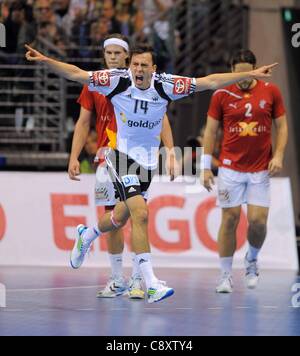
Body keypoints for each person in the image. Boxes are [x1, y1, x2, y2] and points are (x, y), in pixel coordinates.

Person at [25, 42, 277, 303]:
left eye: (144, 65)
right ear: (129, 66)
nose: (139, 69)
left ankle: (87, 234)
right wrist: (45, 59)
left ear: (153, 69)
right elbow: (76, 73)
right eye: (135, 64)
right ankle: (151, 282)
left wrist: (251, 74)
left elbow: (211, 81)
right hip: (121, 157)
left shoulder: (166, 85)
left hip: (147, 164)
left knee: (119, 216)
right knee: (141, 215)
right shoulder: (116, 81)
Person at [69, 34, 178, 300]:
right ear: (104, 56)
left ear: (128, 58)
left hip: (141, 156)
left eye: (119, 53)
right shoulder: (95, 83)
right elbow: (83, 123)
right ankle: (121, 278)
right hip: (110, 158)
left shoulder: (143, 83)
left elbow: (160, 117)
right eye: (110, 53)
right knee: (132, 214)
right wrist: (74, 156)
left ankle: (91, 236)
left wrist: (171, 151)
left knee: (123, 216)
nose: (114, 57)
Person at [202, 49, 288, 293]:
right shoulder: (221, 94)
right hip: (230, 169)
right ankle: (225, 275)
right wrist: (205, 166)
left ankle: (251, 259)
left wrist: (279, 154)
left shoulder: (271, 91)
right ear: (231, 72)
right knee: (229, 219)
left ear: (255, 68)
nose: (243, 78)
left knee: (258, 223)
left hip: (260, 170)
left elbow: (282, 126)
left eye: (248, 73)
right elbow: (210, 131)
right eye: (238, 74)